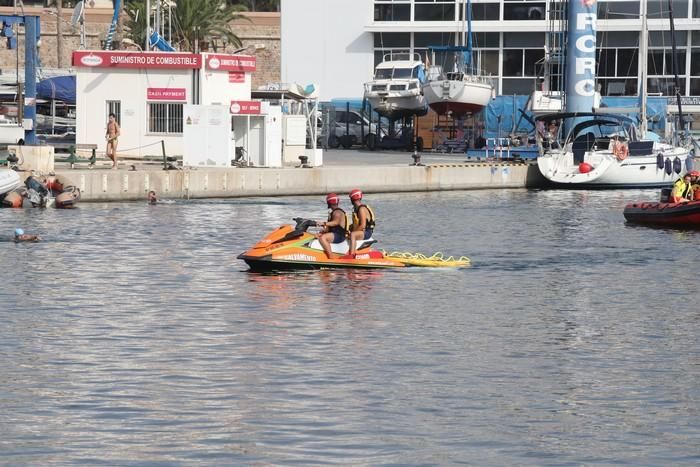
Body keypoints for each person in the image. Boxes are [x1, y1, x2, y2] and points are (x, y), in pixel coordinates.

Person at [317, 193, 348, 259]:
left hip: (339, 235)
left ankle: (331, 257)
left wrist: (323, 223)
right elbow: (331, 227)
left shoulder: (337, 212)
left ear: (329, 202)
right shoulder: (333, 212)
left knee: (323, 238)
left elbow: (335, 223)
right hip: (334, 234)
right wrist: (323, 231)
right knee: (318, 235)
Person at [347, 188, 376, 258]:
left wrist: (352, 233)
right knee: (348, 233)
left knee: (353, 235)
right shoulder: (358, 209)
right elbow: (357, 224)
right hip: (363, 231)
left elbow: (363, 225)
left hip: (367, 232)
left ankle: (352, 255)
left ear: (353, 198)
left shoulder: (361, 209)